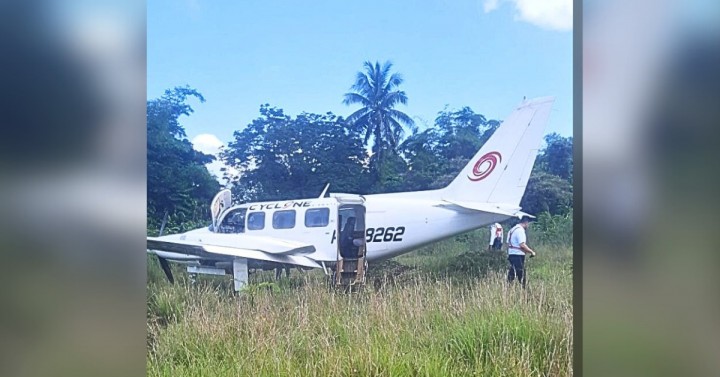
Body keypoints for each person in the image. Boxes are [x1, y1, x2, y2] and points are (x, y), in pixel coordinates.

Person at [506, 216, 536, 287]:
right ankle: (525, 290)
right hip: (518, 255)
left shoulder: (511, 230)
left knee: (513, 272)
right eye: (528, 224)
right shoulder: (520, 230)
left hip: (511, 254)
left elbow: (507, 243)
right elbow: (522, 245)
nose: (528, 226)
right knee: (521, 273)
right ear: (526, 222)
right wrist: (531, 252)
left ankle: (507, 288)